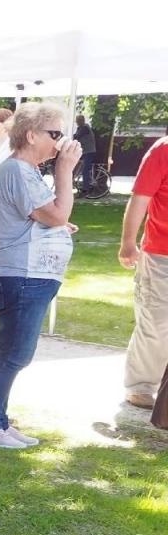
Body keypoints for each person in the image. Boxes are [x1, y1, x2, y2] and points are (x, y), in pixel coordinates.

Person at [0, 101, 81, 449]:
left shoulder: (25, 171)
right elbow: (56, 215)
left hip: (28, 274)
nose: (61, 142)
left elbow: (42, 219)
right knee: (14, 354)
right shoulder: (16, 170)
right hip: (21, 275)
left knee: (15, 352)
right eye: (55, 134)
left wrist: (58, 228)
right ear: (31, 135)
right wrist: (65, 170)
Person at [120, 129, 168, 409]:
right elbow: (141, 198)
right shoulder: (163, 150)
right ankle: (140, 385)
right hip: (161, 254)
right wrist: (128, 242)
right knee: (156, 321)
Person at [74, 113, 97, 192]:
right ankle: (76, 182)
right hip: (84, 151)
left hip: (88, 152)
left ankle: (86, 189)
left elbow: (76, 137)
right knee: (76, 165)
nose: (76, 122)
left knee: (85, 170)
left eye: (77, 121)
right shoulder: (81, 128)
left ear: (81, 121)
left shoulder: (84, 128)